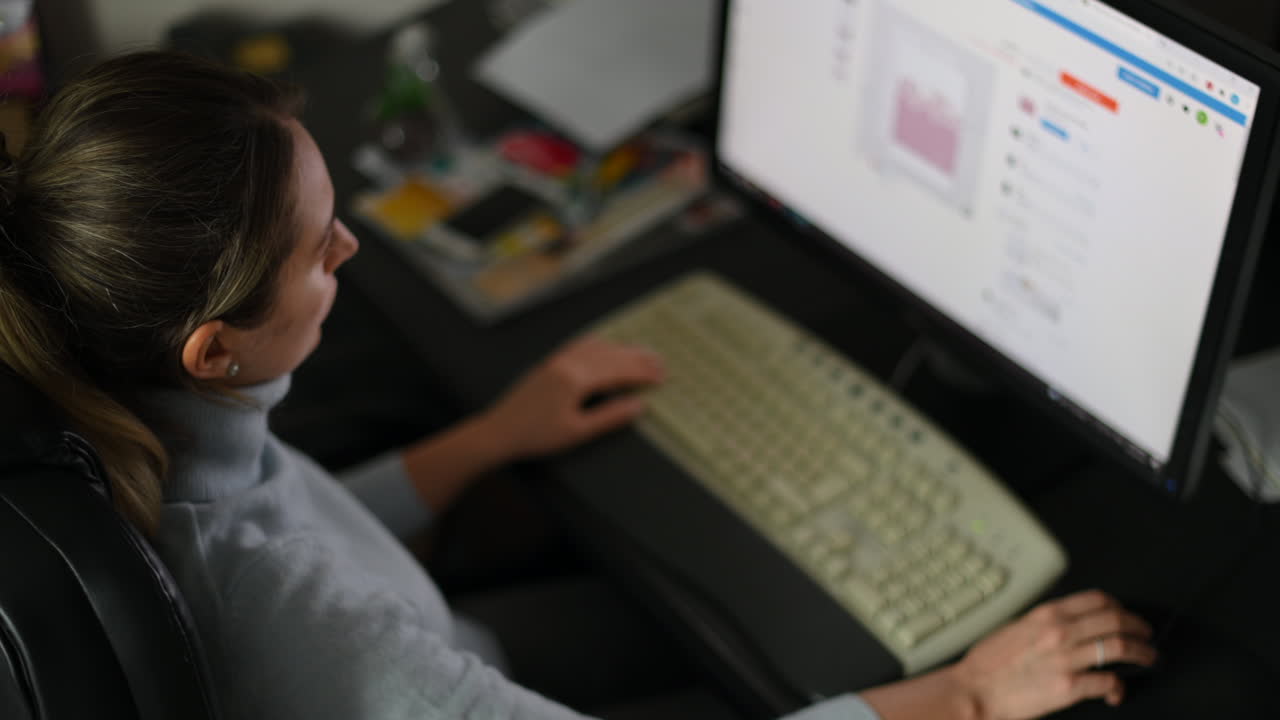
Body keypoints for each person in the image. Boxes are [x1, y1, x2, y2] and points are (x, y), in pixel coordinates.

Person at [0, 51, 1158, 720]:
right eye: (317, 247)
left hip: (455, 638)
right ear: (215, 348)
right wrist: (967, 698)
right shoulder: (306, 636)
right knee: (817, 664)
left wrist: (492, 436)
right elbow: (293, 585)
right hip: (433, 671)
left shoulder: (134, 400)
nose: (350, 248)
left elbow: (281, 514)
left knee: (704, 604)